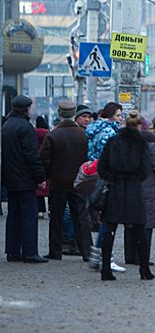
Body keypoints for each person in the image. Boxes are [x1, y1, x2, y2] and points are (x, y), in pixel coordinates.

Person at [97, 111, 153, 281]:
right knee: (140, 230)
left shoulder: (113, 141)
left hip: (115, 188)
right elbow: (146, 170)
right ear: (138, 126)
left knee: (110, 228)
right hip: (134, 189)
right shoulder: (141, 144)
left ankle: (106, 269)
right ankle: (144, 270)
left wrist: (112, 177)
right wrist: (135, 179)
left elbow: (101, 166)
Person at [40, 100, 92, 262]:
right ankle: (86, 251)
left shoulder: (53, 135)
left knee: (56, 217)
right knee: (81, 217)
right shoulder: (84, 135)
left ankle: (55, 251)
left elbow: (45, 160)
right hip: (79, 183)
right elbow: (89, 159)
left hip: (58, 182)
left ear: (59, 114)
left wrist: (49, 176)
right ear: (74, 114)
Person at [1, 95, 48, 263]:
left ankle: (12, 251)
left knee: (13, 215)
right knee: (29, 215)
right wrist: (40, 176)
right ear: (27, 108)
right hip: (25, 178)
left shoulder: (6, 126)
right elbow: (32, 155)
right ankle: (30, 252)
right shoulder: (25, 127)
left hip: (10, 178)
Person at [85, 102, 125, 272]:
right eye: (118, 115)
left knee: (105, 219)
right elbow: (110, 158)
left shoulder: (96, 129)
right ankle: (104, 258)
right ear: (110, 116)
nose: (121, 118)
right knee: (108, 220)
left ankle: (97, 256)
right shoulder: (110, 132)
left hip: (96, 174)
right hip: (106, 178)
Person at [125, 119, 155, 265]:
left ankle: (129, 256)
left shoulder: (127, 145)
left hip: (130, 187)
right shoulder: (151, 145)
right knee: (146, 224)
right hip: (149, 188)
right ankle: (141, 257)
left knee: (130, 224)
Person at [35, 116, 50, 218]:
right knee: (50, 188)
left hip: (38, 161)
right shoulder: (49, 135)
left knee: (39, 190)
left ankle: (40, 210)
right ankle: (50, 210)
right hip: (47, 162)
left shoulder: (33, 134)